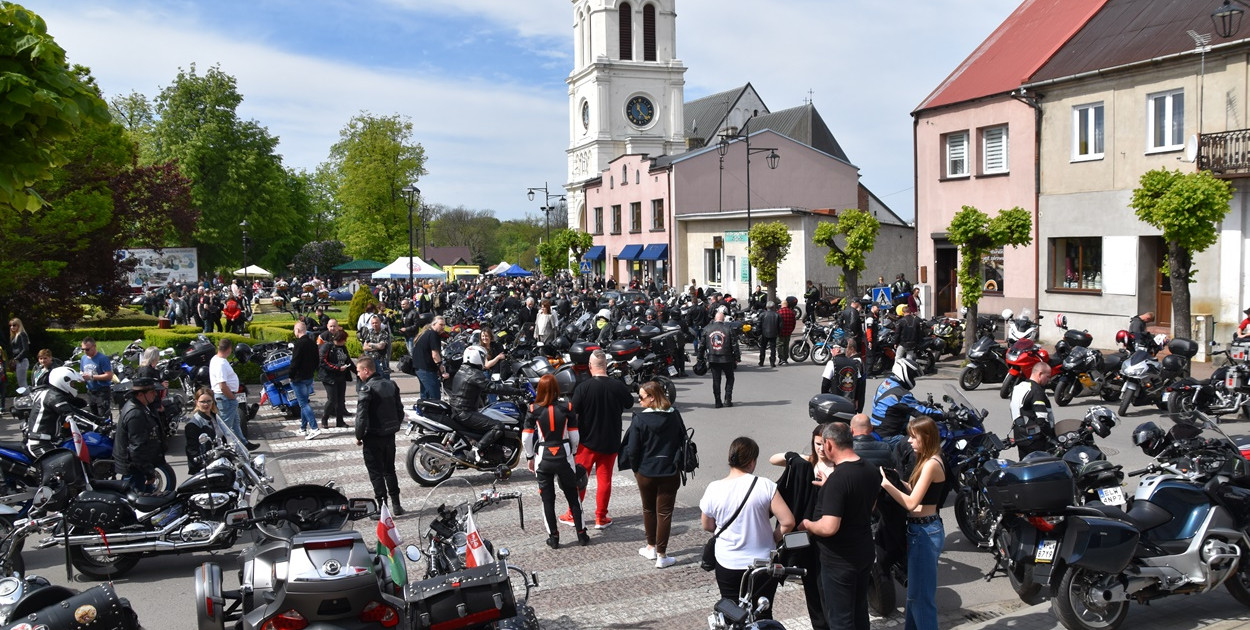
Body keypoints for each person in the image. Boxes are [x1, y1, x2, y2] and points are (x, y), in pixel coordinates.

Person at [701, 436, 795, 617]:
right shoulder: (765, 486)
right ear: (752, 461)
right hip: (761, 562)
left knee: (731, 612)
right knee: (762, 611)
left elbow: (707, 525)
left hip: (727, 562)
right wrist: (772, 537)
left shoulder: (714, 488)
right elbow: (788, 522)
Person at [800, 422, 881, 630]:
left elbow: (829, 527)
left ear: (828, 444)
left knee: (841, 619)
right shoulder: (870, 469)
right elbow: (869, 506)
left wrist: (808, 524)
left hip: (839, 561)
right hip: (863, 552)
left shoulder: (839, 479)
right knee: (860, 611)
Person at [879, 416, 947, 630]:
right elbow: (917, 492)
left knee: (921, 599)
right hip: (921, 530)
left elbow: (910, 503)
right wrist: (899, 482)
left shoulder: (931, 464)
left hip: (925, 532)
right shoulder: (927, 461)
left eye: (913, 436)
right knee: (914, 597)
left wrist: (886, 484)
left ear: (926, 437)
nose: (909, 441)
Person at [769, 426, 835, 630]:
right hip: (805, 539)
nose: (821, 448)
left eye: (825, 443)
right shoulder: (806, 464)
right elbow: (774, 459)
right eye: (817, 444)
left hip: (828, 536)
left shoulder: (838, 469)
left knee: (828, 588)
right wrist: (794, 457)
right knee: (812, 587)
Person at [623, 381, 690, 569]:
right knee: (665, 513)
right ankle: (661, 555)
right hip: (669, 469)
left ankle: (651, 547)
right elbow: (682, 439)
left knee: (648, 509)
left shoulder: (639, 419)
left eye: (642, 397)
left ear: (652, 397)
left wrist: (636, 469)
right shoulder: (674, 415)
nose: (639, 400)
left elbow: (633, 449)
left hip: (645, 471)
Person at [565, 349, 634, 529]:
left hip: (587, 441)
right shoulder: (617, 385)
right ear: (605, 366)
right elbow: (629, 403)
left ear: (590, 367)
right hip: (611, 440)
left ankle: (573, 514)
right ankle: (600, 517)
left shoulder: (583, 387)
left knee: (579, 478)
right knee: (605, 479)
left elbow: (572, 411)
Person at [523, 374, 590, 549]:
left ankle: (553, 538)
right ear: (557, 388)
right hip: (564, 455)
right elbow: (575, 436)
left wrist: (530, 457)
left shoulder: (533, 408)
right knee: (573, 496)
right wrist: (573, 454)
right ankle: (582, 535)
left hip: (543, 457)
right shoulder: (567, 406)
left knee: (547, 500)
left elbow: (526, 437)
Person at [354, 357, 405, 514]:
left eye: (358, 371)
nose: (357, 374)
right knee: (390, 470)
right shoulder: (391, 384)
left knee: (376, 473)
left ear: (366, 370)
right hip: (389, 435)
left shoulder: (367, 389)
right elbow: (400, 410)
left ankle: (382, 508)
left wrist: (359, 435)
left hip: (373, 436)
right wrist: (394, 427)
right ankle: (396, 505)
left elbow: (361, 416)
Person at [870, 358, 942, 447]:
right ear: (904, 372)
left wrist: (922, 404)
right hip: (890, 436)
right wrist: (945, 415)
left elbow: (905, 404)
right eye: (912, 376)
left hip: (878, 430)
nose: (913, 380)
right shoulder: (901, 394)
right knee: (923, 445)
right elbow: (922, 413)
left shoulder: (887, 383)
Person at [114, 378, 164, 493]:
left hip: (137, 467)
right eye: (152, 392)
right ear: (141, 394)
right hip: (134, 469)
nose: (155, 394)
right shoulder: (136, 414)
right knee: (138, 503)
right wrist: (148, 472)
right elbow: (137, 448)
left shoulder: (141, 406)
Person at [210, 338, 258, 450]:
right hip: (225, 397)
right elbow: (222, 385)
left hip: (226, 396)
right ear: (229, 349)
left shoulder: (216, 359)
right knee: (224, 425)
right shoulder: (221, 363)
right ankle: (216, 445)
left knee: (236, 422)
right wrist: (232, 398)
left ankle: (243, 443)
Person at [27, 366, 85, 457]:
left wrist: (99, 419)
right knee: (61, 466)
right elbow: (72, 417)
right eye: (72, 383)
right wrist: (96, 427)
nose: (74, 386)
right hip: (40, 444)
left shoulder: (51, 393)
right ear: (63, 382)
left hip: (49, 441)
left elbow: (74, 410)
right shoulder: (54, 397)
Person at [1009, 362, 1055, 456]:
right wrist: (1051, 437)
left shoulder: (1018, 387)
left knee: (1024, 464)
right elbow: (1041, 418)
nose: (1049, 380)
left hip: (1019, 436)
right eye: (1048, 376)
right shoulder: (1036, 391)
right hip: (1034, 439)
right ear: (1040, 374)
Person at [700, 308, 740, 408]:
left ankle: (718, 401)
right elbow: (735, 344)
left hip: (713, 358)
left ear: (715, 318)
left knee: (716, 380)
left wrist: (700, 358)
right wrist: (737, 357)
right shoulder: (728, 328)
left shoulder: (707, 328)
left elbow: (701, 345)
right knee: (730, 378)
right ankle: (728, 398)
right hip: (727, 358)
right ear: (723, 319)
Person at [290, 321, 321, 439]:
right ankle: (303, 428)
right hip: (309, 376)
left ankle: (314, 428)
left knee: (303, 404)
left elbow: (295, 362)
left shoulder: (299, 344)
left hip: (299, 378)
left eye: (294, 330)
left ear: (298, 330)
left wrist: (291, 375)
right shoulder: (312, 343)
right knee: (304, 402)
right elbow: (316, 360)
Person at [319, 329, 353, 428]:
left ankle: (340, 421)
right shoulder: (327, 346)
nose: (345, 341)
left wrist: (357, 372)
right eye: (344, 339)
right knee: (332, 399)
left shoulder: (343, 348)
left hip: (341, 377)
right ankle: (325, 418)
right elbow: (323, 362)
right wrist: (337, 368)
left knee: (341, 400)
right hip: (329, 377)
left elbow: (348, 361)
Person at [821, 343, 865, 412]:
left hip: (834, 401)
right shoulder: (854, 363)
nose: (831, 350)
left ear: (838, 350)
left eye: (833, 348)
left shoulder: (832, 363)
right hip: (850, 402)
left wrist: (824, 399)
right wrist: (856, 400)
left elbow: (825, 383)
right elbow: (859, 384)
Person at [185, 388, 219, 475]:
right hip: (205, 467)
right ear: (197, 402)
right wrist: (202, 465)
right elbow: (192, 450)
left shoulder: (215, 417)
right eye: (202, 402)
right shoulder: (193, 424)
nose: (206, 404)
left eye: (208, 401)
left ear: (212, 402)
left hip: (218, 461)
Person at [79, 337, 114, 419]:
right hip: (90, 391)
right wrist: (81, 377)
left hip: (102, 391)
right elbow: (81, 371)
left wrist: (91, 377)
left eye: (87, 349)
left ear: (94, 346)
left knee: (103, 415)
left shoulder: (102, 358)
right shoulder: (83, 358)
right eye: (83, 349)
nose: (85, 352)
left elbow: (109, 375)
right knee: (93, 415)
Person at [412, 317, 447, 400]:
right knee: (434, 396)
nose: (443, 327)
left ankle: (424, 411)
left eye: (444, 325)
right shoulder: (433, 335)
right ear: (434, 324)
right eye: (441, 325)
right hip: (426, 369)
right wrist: (441, 368)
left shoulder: (426, 333)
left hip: (420, 368)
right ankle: (433, 412)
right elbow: (435, 355)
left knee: (425, 395)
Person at [360, 315, 392, 379]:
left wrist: (371, 344)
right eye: (373, 323)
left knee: (384, 380)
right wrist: (376, 346)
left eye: (376, 323)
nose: (374, 324)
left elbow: (381, 346)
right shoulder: (370, 332)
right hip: (371, 361)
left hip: (381, 361)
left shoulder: (384, 333)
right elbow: (364, 347)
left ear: (380, 323)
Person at [757, 301, 781, 367]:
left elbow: (759, 325)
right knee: (773, 348)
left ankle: (761, 361)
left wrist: (758, 333)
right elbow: (780, 326)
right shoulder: (777, 315)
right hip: (774, 333)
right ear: (773, 307)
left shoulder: (762, 314)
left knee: (762, 347)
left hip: (764, 333)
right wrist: (778, 333)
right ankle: (772, 362)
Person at [8, 319, 29, 391]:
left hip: (22, 361)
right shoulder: (15, 335)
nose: (12, 327)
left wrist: (16, 358)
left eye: (14, 325)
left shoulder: (22, 334)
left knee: (22, 383)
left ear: (19, 325)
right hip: (19, 361)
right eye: (10, 325)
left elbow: (25, 349)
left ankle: (28, 398)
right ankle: (26, 398)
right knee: (21, 383)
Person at [777, 298, 797, 365]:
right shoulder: (792, 313)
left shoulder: (779, 312)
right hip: (788, 332)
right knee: (786, 345)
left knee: (780, 345)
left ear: (782, 305)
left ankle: (781, 359)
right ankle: (785, 359)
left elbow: (777, 323)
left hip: (780, 332)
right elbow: (794, 323)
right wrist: (791, 330)